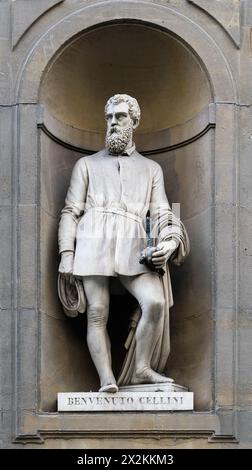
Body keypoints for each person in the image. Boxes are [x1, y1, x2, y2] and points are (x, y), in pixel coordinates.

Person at [58, 94, 189, 393]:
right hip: (92, 238)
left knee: (154, 302)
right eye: (109, 118)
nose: (113, 123)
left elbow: (162, 212)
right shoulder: (86, 165)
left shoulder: (150, 169)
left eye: (120, 117)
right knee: (97, 311)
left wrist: (170, 241)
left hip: (134, 243)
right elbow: (70, 211)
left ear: (134, 121)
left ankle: (142, 368)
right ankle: (106, 379)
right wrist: (67, 253)